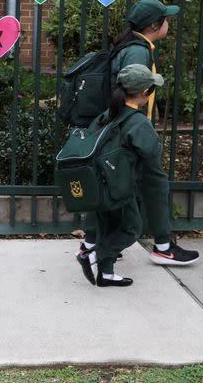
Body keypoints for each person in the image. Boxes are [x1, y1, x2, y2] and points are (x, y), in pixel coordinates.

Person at [79, 0, 199, 266]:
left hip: (125, 129)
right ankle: (163, 246)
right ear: (155, 25)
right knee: (154, 185)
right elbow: (130, 91)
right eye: (166, 19)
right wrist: (137, 130)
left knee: (113, 186)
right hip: (132, 133)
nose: (169, 23)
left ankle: (90, 245)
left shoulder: (133, 45)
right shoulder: (137, 52)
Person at [77, 64, 169, 287]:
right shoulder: (137, 121)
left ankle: (106, 274)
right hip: (119, 187)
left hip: (99, 185)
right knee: (131, 229)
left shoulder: (106, 115)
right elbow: (152, 151)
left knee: (109, 227)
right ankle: (92, 256)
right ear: (144, 93)